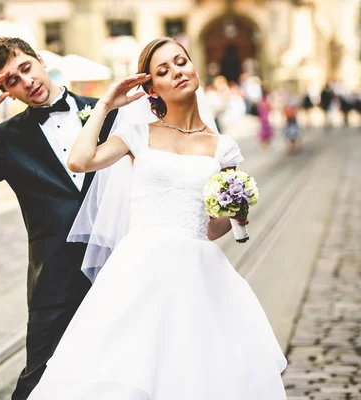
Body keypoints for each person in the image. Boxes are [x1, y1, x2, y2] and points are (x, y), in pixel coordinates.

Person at [27, 37, 287, 399]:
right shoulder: (137, 133)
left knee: (195, 373)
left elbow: (213, 229)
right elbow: (80, 161)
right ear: (152, 87)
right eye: (163, 70)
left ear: (194, 67)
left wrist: (237, 213)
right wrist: (105, 104)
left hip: (199, 272)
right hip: (140, 269)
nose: (177, 71)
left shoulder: (223, 147)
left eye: (181, 62)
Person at [0, 37, 118, 400]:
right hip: (54, 279)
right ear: (5, 91)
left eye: (25, 68)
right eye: (11, 81)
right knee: (38, 381)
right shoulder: (9, 137)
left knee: (121, 372)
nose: (25, 82)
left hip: (115, 267)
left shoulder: (105, 113)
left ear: (40, 61)